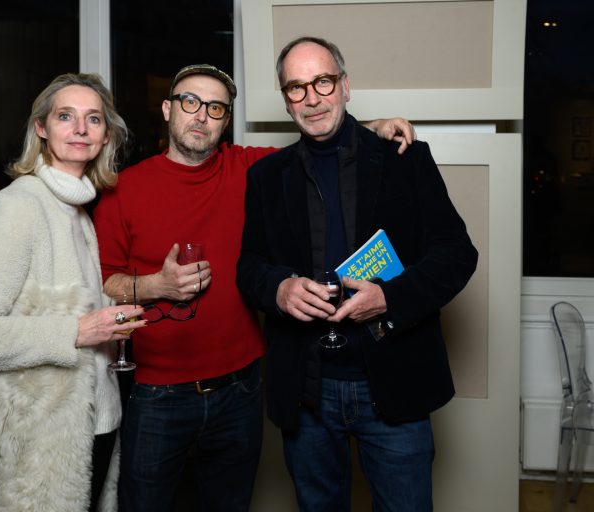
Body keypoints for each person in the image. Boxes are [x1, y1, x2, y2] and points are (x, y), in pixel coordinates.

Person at [93, 63, 416, 512]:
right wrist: (154, 285)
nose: (201, 115)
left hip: (239, 389)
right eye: (190, 102)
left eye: (216, 108)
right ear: (168, 109)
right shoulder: (121, 189)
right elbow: (100, 284)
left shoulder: (250, 169)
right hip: (155, 393)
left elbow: (321, 139)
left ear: (226, 121)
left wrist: (371, 127)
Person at [235, 36, 479, 511]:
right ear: (286, 100)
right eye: (296, 88)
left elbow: (457, 254)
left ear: (345, 85)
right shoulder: (266, 176)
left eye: (322, 81)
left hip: (394, 382)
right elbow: (249, 265)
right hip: (307, 391)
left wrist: (391, 298)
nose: (312, 97)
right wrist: (279, 289)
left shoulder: (403, 157)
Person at [0, 73, 146, 511]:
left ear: (106, 136)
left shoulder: (78, 211)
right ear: (41, 128)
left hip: (90, 426)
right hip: (35, 449)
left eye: (93, 119)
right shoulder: (15, 207)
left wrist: (104, 321)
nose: (81, 129)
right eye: (66, 116)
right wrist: (76, 331)